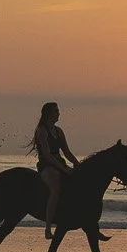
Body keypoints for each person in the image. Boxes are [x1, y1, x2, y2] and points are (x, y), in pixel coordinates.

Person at [33, 101, 78, 238]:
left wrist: (77, 163)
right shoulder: (41, 130)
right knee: (55, 189)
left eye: (58, 111)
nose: (59, 113)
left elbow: (67, 152)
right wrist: (64, 169)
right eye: (56, 111)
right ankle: (47, 229)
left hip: (59, 162)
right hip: (46, 165)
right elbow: (46, 154)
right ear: (48, 113)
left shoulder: (59, 131)